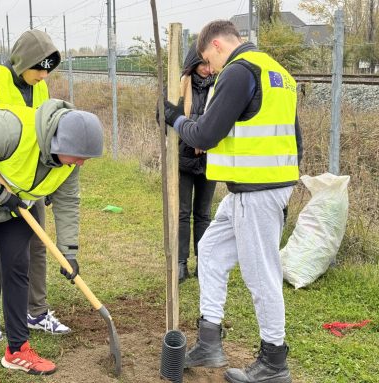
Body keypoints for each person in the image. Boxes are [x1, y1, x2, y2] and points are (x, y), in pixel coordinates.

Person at [164, 20, 302, 383]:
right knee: (210, 249)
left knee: (261, 275)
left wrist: (176, 119)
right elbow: (294, 138)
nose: (209, 68)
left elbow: (207, 133)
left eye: (208, 59)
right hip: (255, 188)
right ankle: (210, 339)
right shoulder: (278, 73)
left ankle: (274, 362)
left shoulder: (239, 71)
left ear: (215, 44)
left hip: (257, 192)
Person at [0, 98, 104, 382]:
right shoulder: (8, 129)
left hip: (15, 205)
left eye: (86, 158)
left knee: (18, 269)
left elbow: (68, 201)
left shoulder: (70, 160)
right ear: (58, 142)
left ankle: (17, 350)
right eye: (79, 156)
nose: (81, 163)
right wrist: (1, 196)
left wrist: (68, 252)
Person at [0, 29, 71, 342]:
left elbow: (46, 134)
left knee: (37, 245)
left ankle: (35, 311)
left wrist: (47, 183)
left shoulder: (40, 88)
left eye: (48, 69)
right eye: (39, 68)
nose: (43, 75)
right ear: (23, 61)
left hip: (30, 182)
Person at [177, 42, 217, 282]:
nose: (206, 68)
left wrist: (205, 136)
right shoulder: (178, 86)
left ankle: (203, 263)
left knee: (203, 213)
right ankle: (181, 263)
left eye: (209, 63)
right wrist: (194, 135)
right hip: (183, 157)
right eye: (202, 63)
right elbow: (165, 117)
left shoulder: (220, 87)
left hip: (210, 160)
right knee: (183, 212)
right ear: (193, 62)